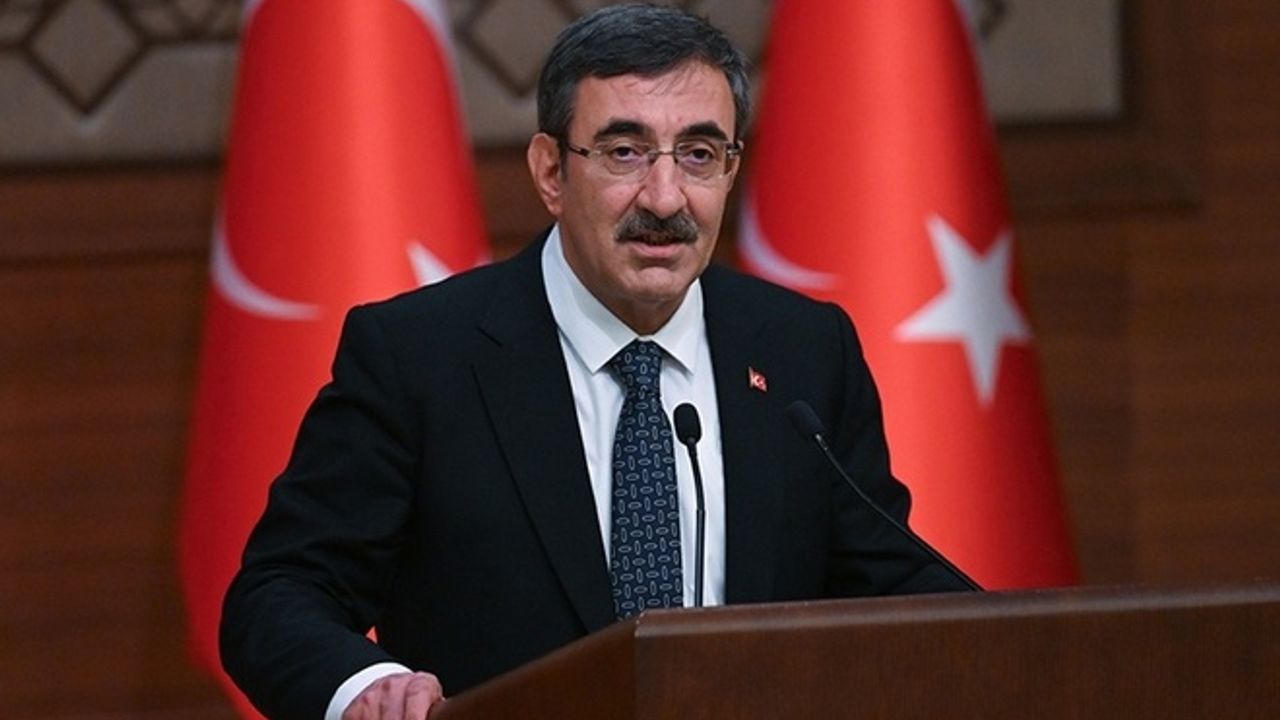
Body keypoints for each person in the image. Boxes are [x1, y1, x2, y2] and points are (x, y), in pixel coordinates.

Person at [220, 4, 973, 719]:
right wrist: (368, 687)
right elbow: (280, 593)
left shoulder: (803, 350)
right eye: (624, 152)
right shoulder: (420, 357)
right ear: (551, 171)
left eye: (699, 154)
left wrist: (1008, 642)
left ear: (730, 169)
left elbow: (890, 587)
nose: (665, 198)